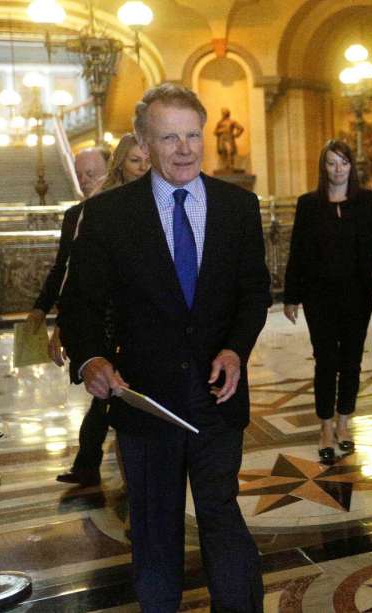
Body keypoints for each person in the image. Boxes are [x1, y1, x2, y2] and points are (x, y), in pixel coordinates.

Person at [59, 83, 270, 612]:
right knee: (154, 535)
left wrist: (235, 350)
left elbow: (254, 292)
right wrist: (92, 359)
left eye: (192, 135)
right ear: (143, 143)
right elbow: (79, 304)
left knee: (223, 520)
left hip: (217, 400)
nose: (184, 148)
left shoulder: (238, 207)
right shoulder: (108, 215)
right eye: (169, 136)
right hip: (145, 404)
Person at [30, 135, 151, 486]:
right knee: (109, 395)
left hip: (142, 322)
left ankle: (95, 466)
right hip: (107, 321)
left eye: (146, 160)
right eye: (134, 161)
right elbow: (69, 274)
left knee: (116, 400)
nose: (143, 167)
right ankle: (108, 474)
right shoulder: (87, 213)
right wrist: (53, 319)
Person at [282, 140, 372, 462]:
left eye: (343, 162)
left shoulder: (367, 201)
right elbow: (297, 252)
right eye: (331, 163)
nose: (338, 169)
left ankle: (344, 422)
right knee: (326, 361)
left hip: (358, 294)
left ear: (352, 166)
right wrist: (291, 296)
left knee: (352, 360)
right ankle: (325, 425)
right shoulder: (309, 204)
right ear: (322, 167)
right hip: (319, 296)